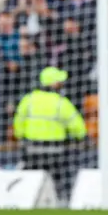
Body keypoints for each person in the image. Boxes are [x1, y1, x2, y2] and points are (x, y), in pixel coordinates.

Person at [13, 67, 87, 203]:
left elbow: (18, 124)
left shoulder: (28, 100)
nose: (62, 84)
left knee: (30, 182)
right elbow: (78, 127)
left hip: (31, 150)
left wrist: (21, 136)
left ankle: (24, 204)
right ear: (52, 83)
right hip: (55, 151)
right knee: (59, 182)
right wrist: (81, 137)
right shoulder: (60, 102)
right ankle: (63, 203)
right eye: (59, 81)